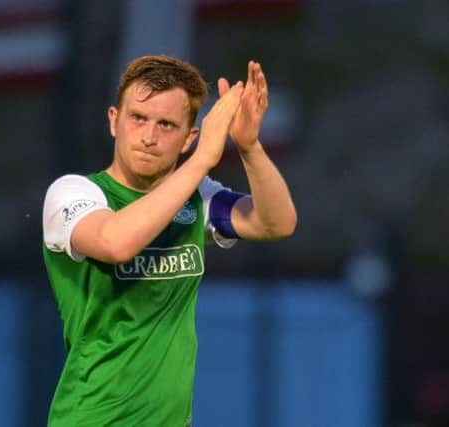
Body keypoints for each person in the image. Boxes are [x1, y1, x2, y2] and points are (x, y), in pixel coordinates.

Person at [42, 54, 297, 426]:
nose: (148, 136)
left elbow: (277, 223)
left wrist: (249, 148)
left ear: (187, 138)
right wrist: (202, 160)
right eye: (138, 118)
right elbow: (116, 243)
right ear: (115, 121)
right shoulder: (74, 193)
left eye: (166, 124)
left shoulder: (196, 198)